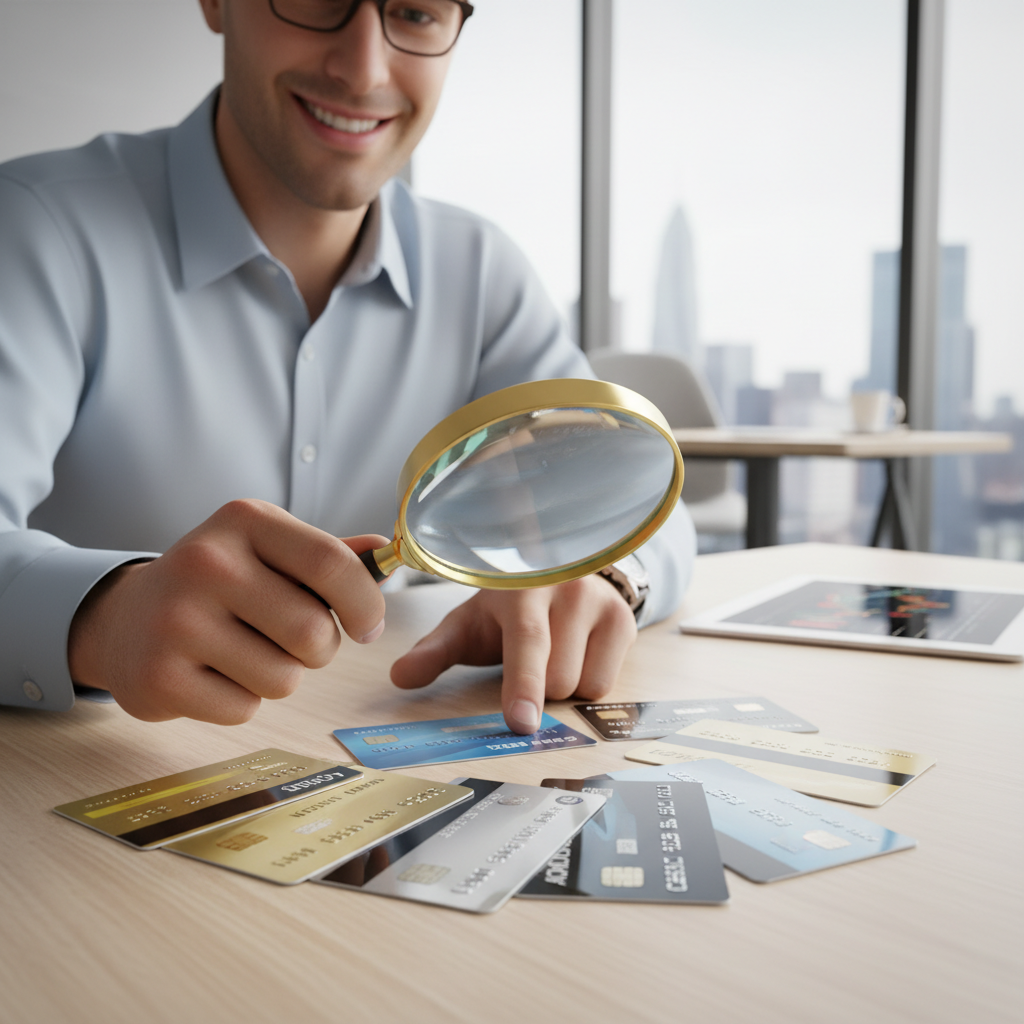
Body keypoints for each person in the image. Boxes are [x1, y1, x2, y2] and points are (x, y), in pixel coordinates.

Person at [0, 0, 695, 733]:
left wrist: (604, 577)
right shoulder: (32, 230)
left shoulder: (480, 269)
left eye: (417, 13)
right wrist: (100, 619)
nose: (363, 70)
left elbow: (639, 487)